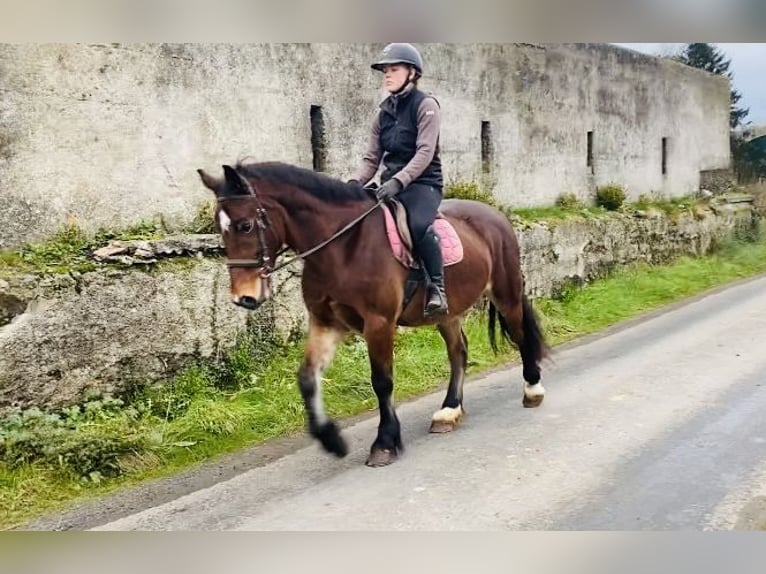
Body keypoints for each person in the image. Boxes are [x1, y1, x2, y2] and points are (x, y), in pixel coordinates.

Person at [348, 42, 448, 317]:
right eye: (385, 71)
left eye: (394, 69)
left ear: (413, 73)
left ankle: (436, 288)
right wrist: (355, 183)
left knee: (418, 225)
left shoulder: (426, 106)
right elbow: (372, 158)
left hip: (423, 184)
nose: (387, 75)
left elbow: (425, 152)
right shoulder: (383, 114)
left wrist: (400, 181)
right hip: (390, 184)